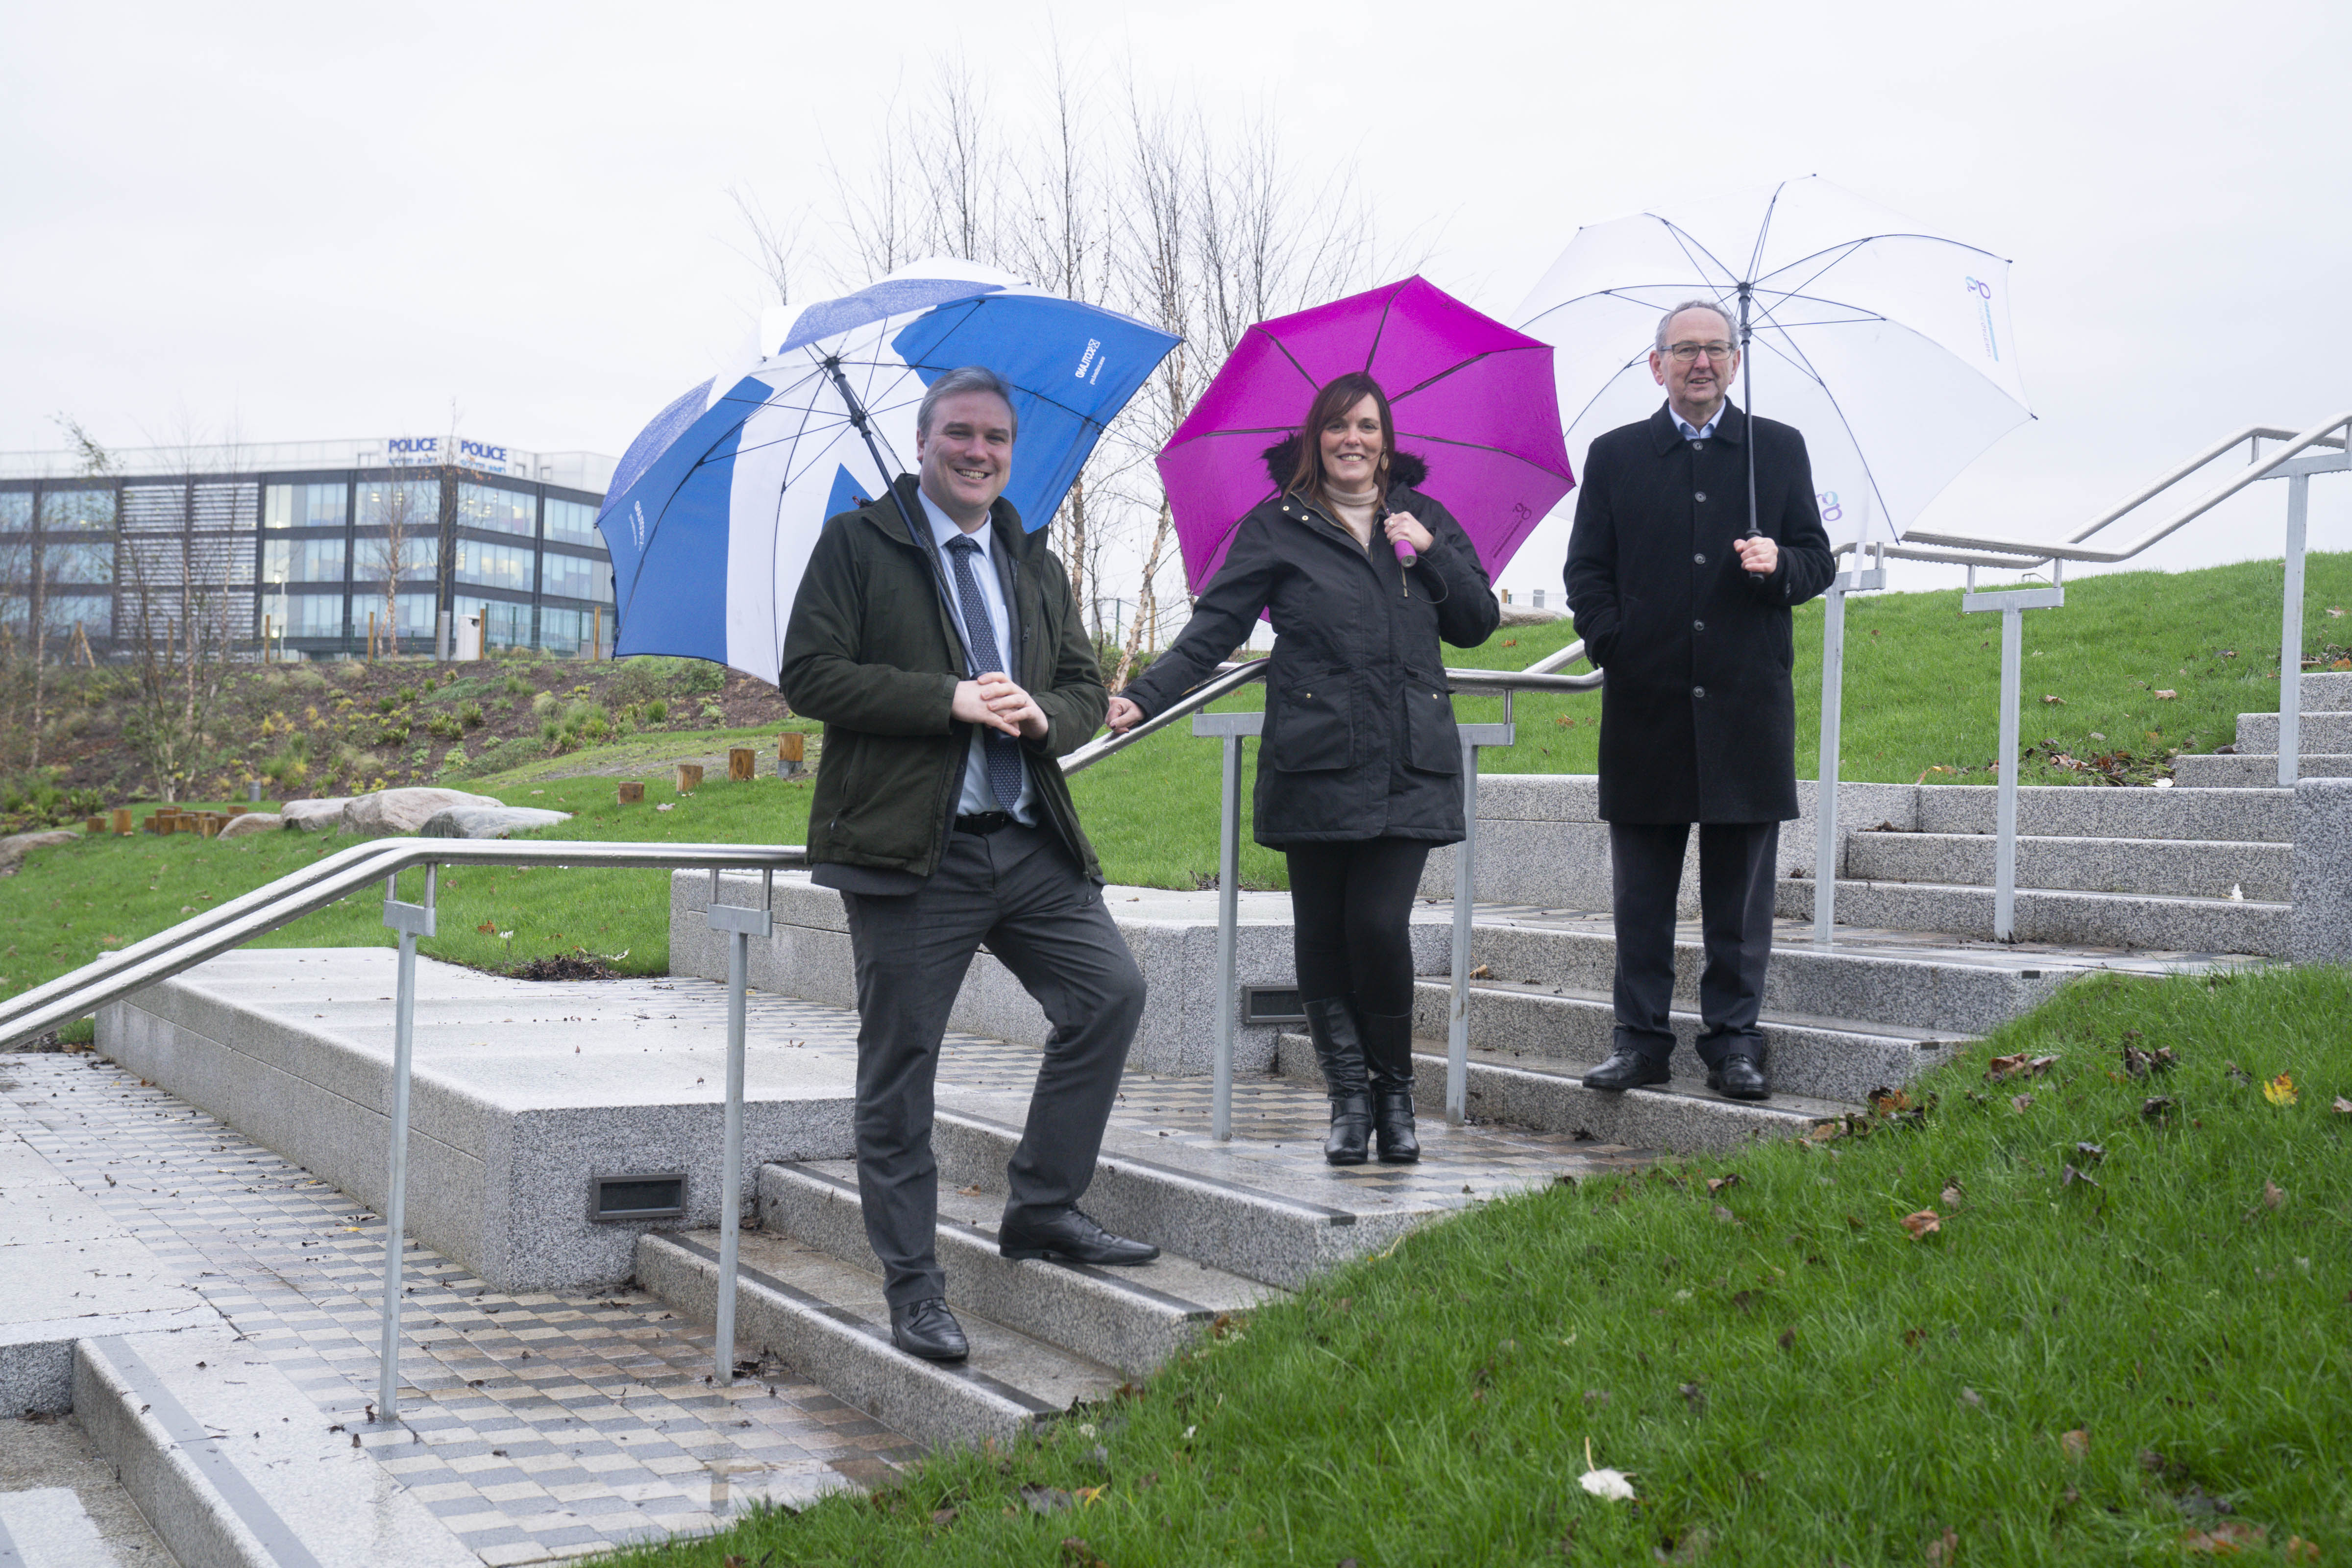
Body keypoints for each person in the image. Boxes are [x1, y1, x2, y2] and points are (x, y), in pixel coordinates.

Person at [780, 365, 1155, 1365]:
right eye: (959, 433)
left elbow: (1080, 682)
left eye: (994, 436)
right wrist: (946, 698)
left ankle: (1042, 1205)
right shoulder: (859, 545)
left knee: (1110, 993)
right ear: (923, 440)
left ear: (1009, 449)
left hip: (1028, 838)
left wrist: (1049, 715)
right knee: (900, 1069)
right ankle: (915, 1289)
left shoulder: (1031, 557)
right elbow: (810, 675)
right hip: (912, 853)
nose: (977, 451)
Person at [1107, 372, 1499, 1164]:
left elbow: (1477, 624)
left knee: (1379, 925)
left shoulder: (1423, 521)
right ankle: (1347, 1099)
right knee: (1321, 930)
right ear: (1314, 439)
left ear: (1386, 439)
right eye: (1336, 427)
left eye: (1365, 425)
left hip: (1408, 758)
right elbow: (1215, 627)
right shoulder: (1277, 526)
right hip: (1316, 757)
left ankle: (1397, 1096)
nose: (1351, 440)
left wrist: (1429, 558)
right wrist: (1146, 696)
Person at [1563, 300, 1835, 1102]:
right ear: (1657, 365)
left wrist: (1779, 561)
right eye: (1686, 350)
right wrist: (1616, 641)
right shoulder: (1615, 456)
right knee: (1641, 897)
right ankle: (1640, 1041)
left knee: (1739, 902)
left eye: (1717, 349)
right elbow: (1587, 571)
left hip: (1746, 709)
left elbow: (1817, 562)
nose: (1702, 363)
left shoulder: (1777, 450)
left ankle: (1734, 1044)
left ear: (1736, 361)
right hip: (1646, 708)